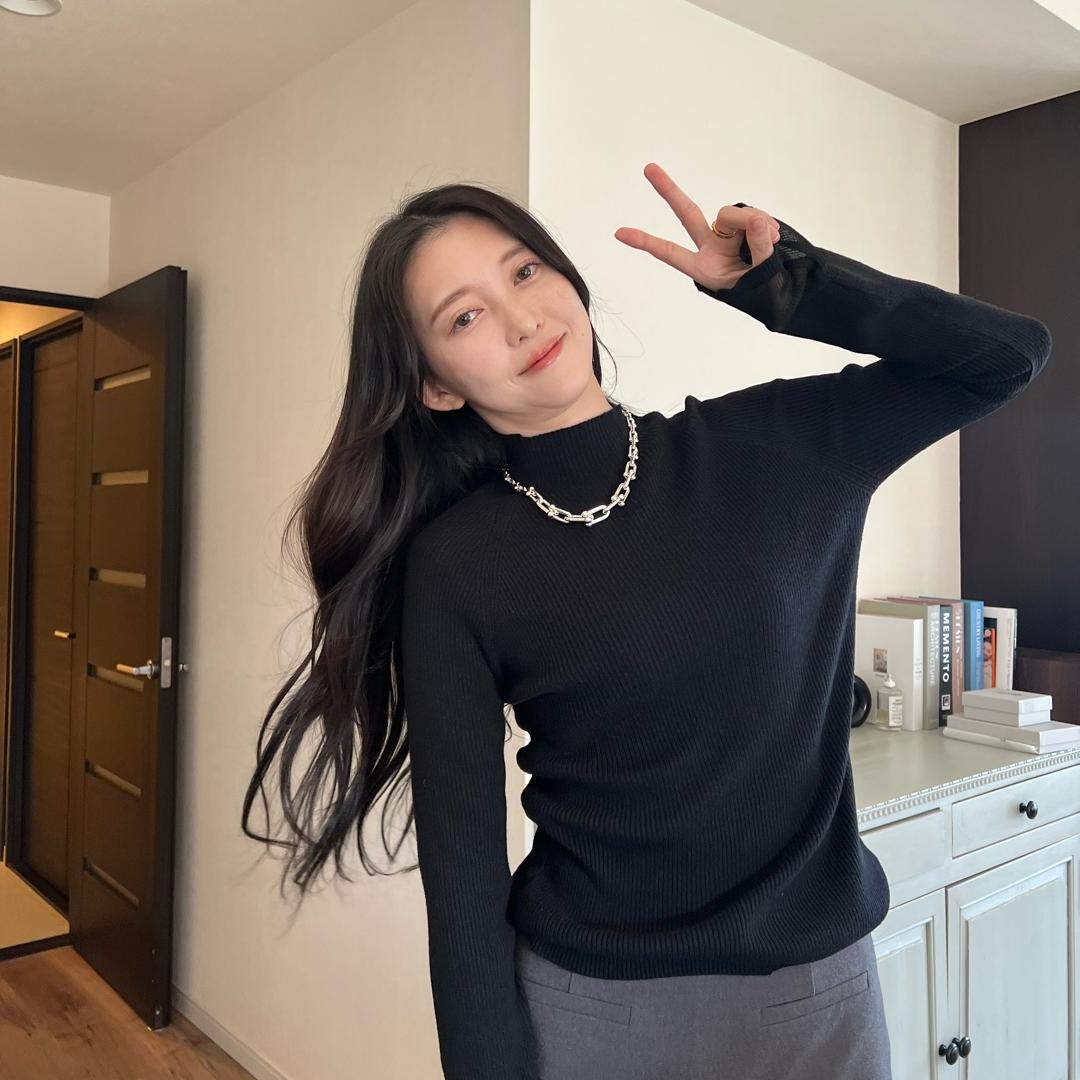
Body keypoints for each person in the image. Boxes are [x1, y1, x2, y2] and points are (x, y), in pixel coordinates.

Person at [241, 164, 1052, 1079]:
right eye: (464, 318)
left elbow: (1008, 355)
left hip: (815, 1000)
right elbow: (461, 869)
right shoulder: (457, 564)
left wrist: (792, 285)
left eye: (524, 272)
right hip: (592, 1012)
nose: (520, 320)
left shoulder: (775, 450)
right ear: (435, 385)